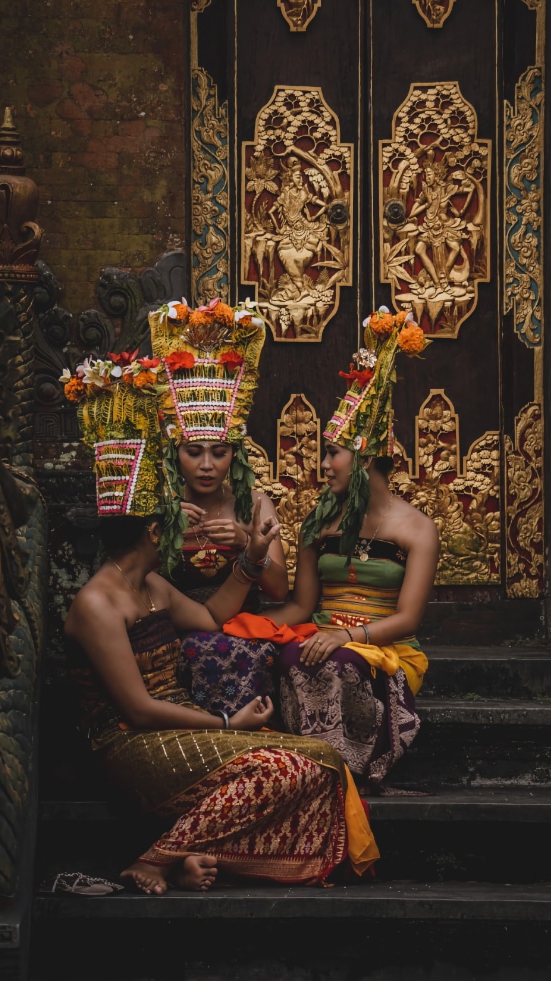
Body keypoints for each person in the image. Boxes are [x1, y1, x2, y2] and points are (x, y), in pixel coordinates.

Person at [61, 360, 378, 893]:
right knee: (285, 768)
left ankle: (200, 854)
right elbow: (137, 711)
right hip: (131, 744)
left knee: (322, 763)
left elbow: (211, 616)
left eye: (219, 451)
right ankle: (156, 857)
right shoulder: (98, 602)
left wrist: (251, 556)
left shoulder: (152, 586)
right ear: (158, 528)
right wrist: (230, 724)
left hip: (183, 720)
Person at [256, 308, 439, 791]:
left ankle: (356, 766)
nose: (324, 464)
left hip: (386, 646)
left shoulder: (417, 528)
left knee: (340, 663)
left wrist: (347, 636)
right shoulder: (320, 522)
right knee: (290, 657)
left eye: (333, 453)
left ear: (366, 457)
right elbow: (301, 605)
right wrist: (250, 624)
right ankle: (313, 769)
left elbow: (408, 619)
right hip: (322, 634)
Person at [149, 297, 288, 716]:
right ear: (177, 452)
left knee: (238, 649)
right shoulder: (160, 505)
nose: (207, 465)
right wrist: (167, 533)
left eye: (219, 452)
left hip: (243, 630)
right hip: (178, 627)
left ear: (235, 455)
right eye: (194, 452)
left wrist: (250, 543)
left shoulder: (253, 502)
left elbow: (280, 590)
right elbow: (137, 583)